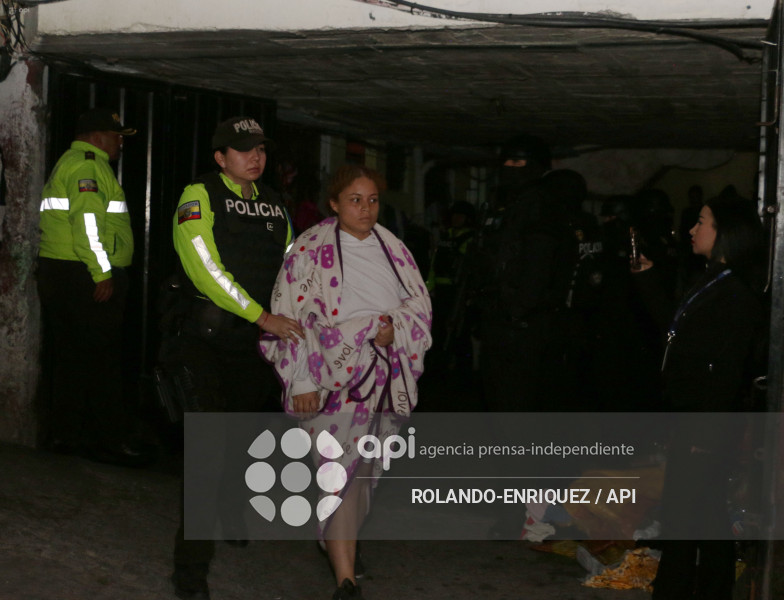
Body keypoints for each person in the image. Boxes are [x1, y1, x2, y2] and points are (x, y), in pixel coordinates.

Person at [260, 165, 432, 600]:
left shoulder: (394, 249)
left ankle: (340, 549)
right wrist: (300, 379)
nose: (366, 208)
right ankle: (346, 580)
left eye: (373, 200)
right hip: (328, 382)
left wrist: (394, 327)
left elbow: (419, 306)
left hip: (382, 378)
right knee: (342, 475)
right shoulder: (308, 249)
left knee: (366, 473)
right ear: (334, 203)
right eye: (355, 200)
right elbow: (290, 316)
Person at [167, 116, 304, 600]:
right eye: (243, 149)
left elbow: (293, 271)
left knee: (244, 445)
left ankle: (230, 510)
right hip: (204, 344)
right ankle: (190, 570)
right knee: (207, 454)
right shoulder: (198, 194)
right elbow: (204, 267)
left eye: (261, 149)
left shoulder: (274, 205)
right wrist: (260, 315)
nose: (256, 157)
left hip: (252, 350)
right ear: (220, 157)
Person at [632, 191, 767, 600]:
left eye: (702, 222)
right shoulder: (711, 279)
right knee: (703, 516)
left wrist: (702, 433)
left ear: (726, 232)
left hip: (707, 420)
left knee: (688, 517)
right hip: (695, 415)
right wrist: (648, 280)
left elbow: (722, 369)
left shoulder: (735, 293)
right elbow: (678, 332)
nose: (692, 230)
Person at [38, 107, 152, 465]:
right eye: (117, 136)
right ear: (98, 137)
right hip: (83, 274)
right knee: (102, 361)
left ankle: (68, 436)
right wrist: (102, 273)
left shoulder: (74, 162)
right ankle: (110, 440)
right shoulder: (89, 165)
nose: (121, 142)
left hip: (65, 270)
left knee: (73, 358)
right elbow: (86, 222)